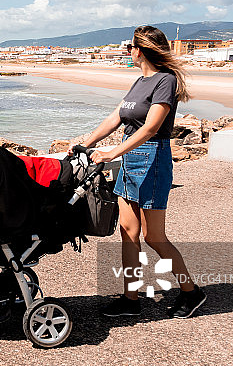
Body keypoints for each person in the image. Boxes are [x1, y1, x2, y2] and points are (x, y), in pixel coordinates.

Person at [69, 25, 206, 319]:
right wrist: (86, 142)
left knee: (153, 236)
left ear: (140, 50)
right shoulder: (139, 81)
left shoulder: (165, 81)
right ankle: (130, 298)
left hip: (153, 159)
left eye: (129, 47)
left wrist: (111, 153)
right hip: (131, 158)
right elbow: (117, 117)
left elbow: (151, 127)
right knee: (128, 233)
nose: (127, 52)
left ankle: (191, 291)